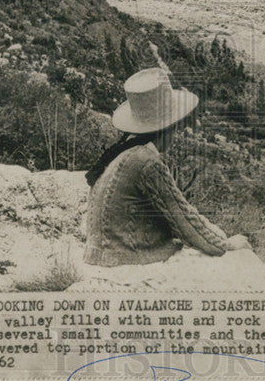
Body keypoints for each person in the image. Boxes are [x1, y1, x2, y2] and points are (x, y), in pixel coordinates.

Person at [83, 67, 249, 267]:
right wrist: (226, 244)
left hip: (102, 256)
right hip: (124, 261)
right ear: (168, 128)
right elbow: (184, 220)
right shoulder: (147, 162)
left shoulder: (125, 153)